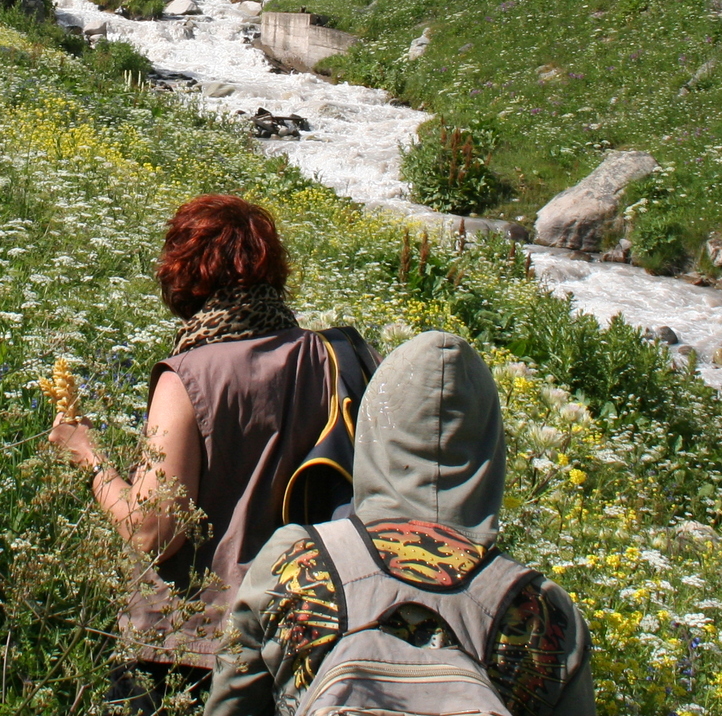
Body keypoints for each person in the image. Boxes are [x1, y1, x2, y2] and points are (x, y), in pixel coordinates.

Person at [49, 195, 372, 715]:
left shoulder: (189, 375)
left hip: (187, 645)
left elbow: (154, 531)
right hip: (299, 634)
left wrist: (88, 457)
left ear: (184, 274)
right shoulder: (333, 358)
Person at [204, 330, 595, 716]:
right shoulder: (544, 610)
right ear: (489, 446)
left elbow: (232, 703)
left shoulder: (295, 557)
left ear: (373, 427)